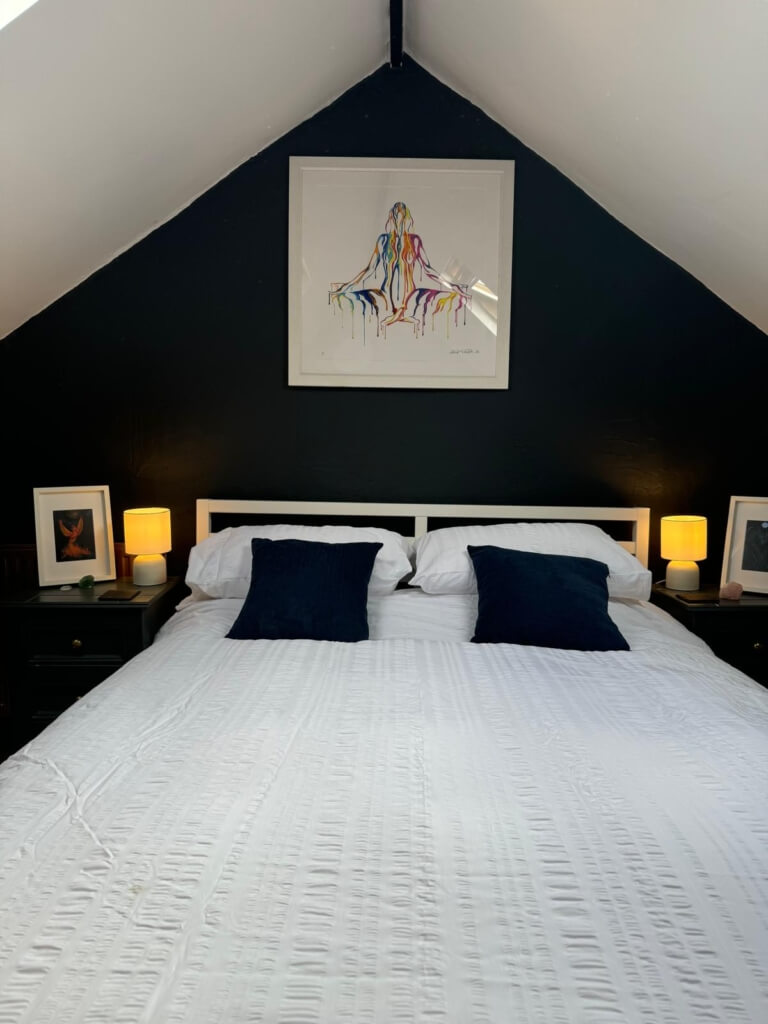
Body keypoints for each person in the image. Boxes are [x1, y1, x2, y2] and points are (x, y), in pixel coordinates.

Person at [329, 201, 471, 336]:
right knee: (345, 296)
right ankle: (397, 315)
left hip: (411, 296)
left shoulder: (415, 241)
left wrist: (452, 286)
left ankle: (399, 315)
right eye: (396, 217)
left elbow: (428, 270)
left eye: (402, 217)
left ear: (407, 219)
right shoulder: (383, 240)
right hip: (385, 296)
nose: (399, 221)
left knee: (455, 296)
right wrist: (347, 286)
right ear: (391, 219)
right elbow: (370, 269)